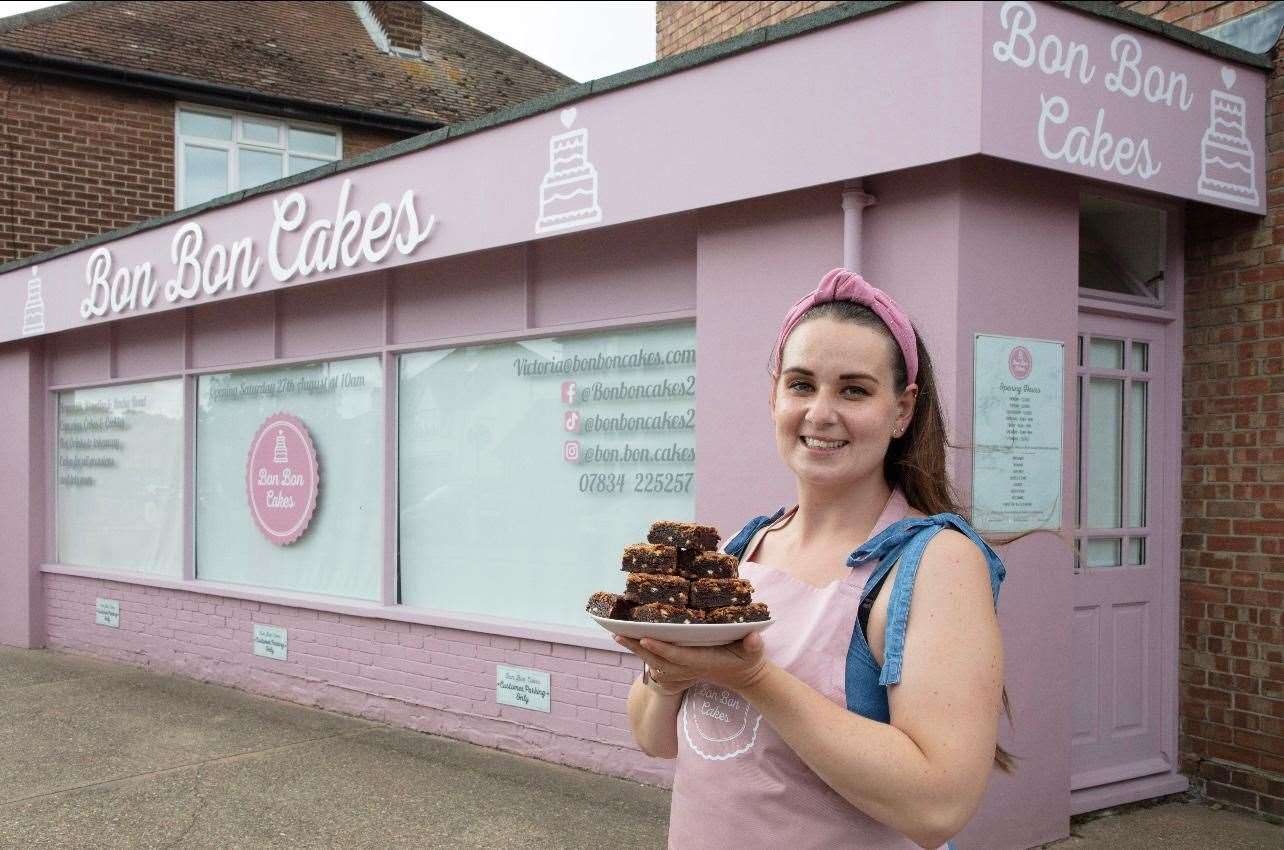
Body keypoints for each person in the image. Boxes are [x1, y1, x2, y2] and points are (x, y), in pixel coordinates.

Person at [615, 268, 1012, 850]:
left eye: (854, 390)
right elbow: (656, 739)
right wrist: (666, 673)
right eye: (801, 385)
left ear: (902, 411)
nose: (821, 414)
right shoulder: (739, 553)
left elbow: (938, 806)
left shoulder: (934, 563)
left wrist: (753, 677)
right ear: (774, 394)